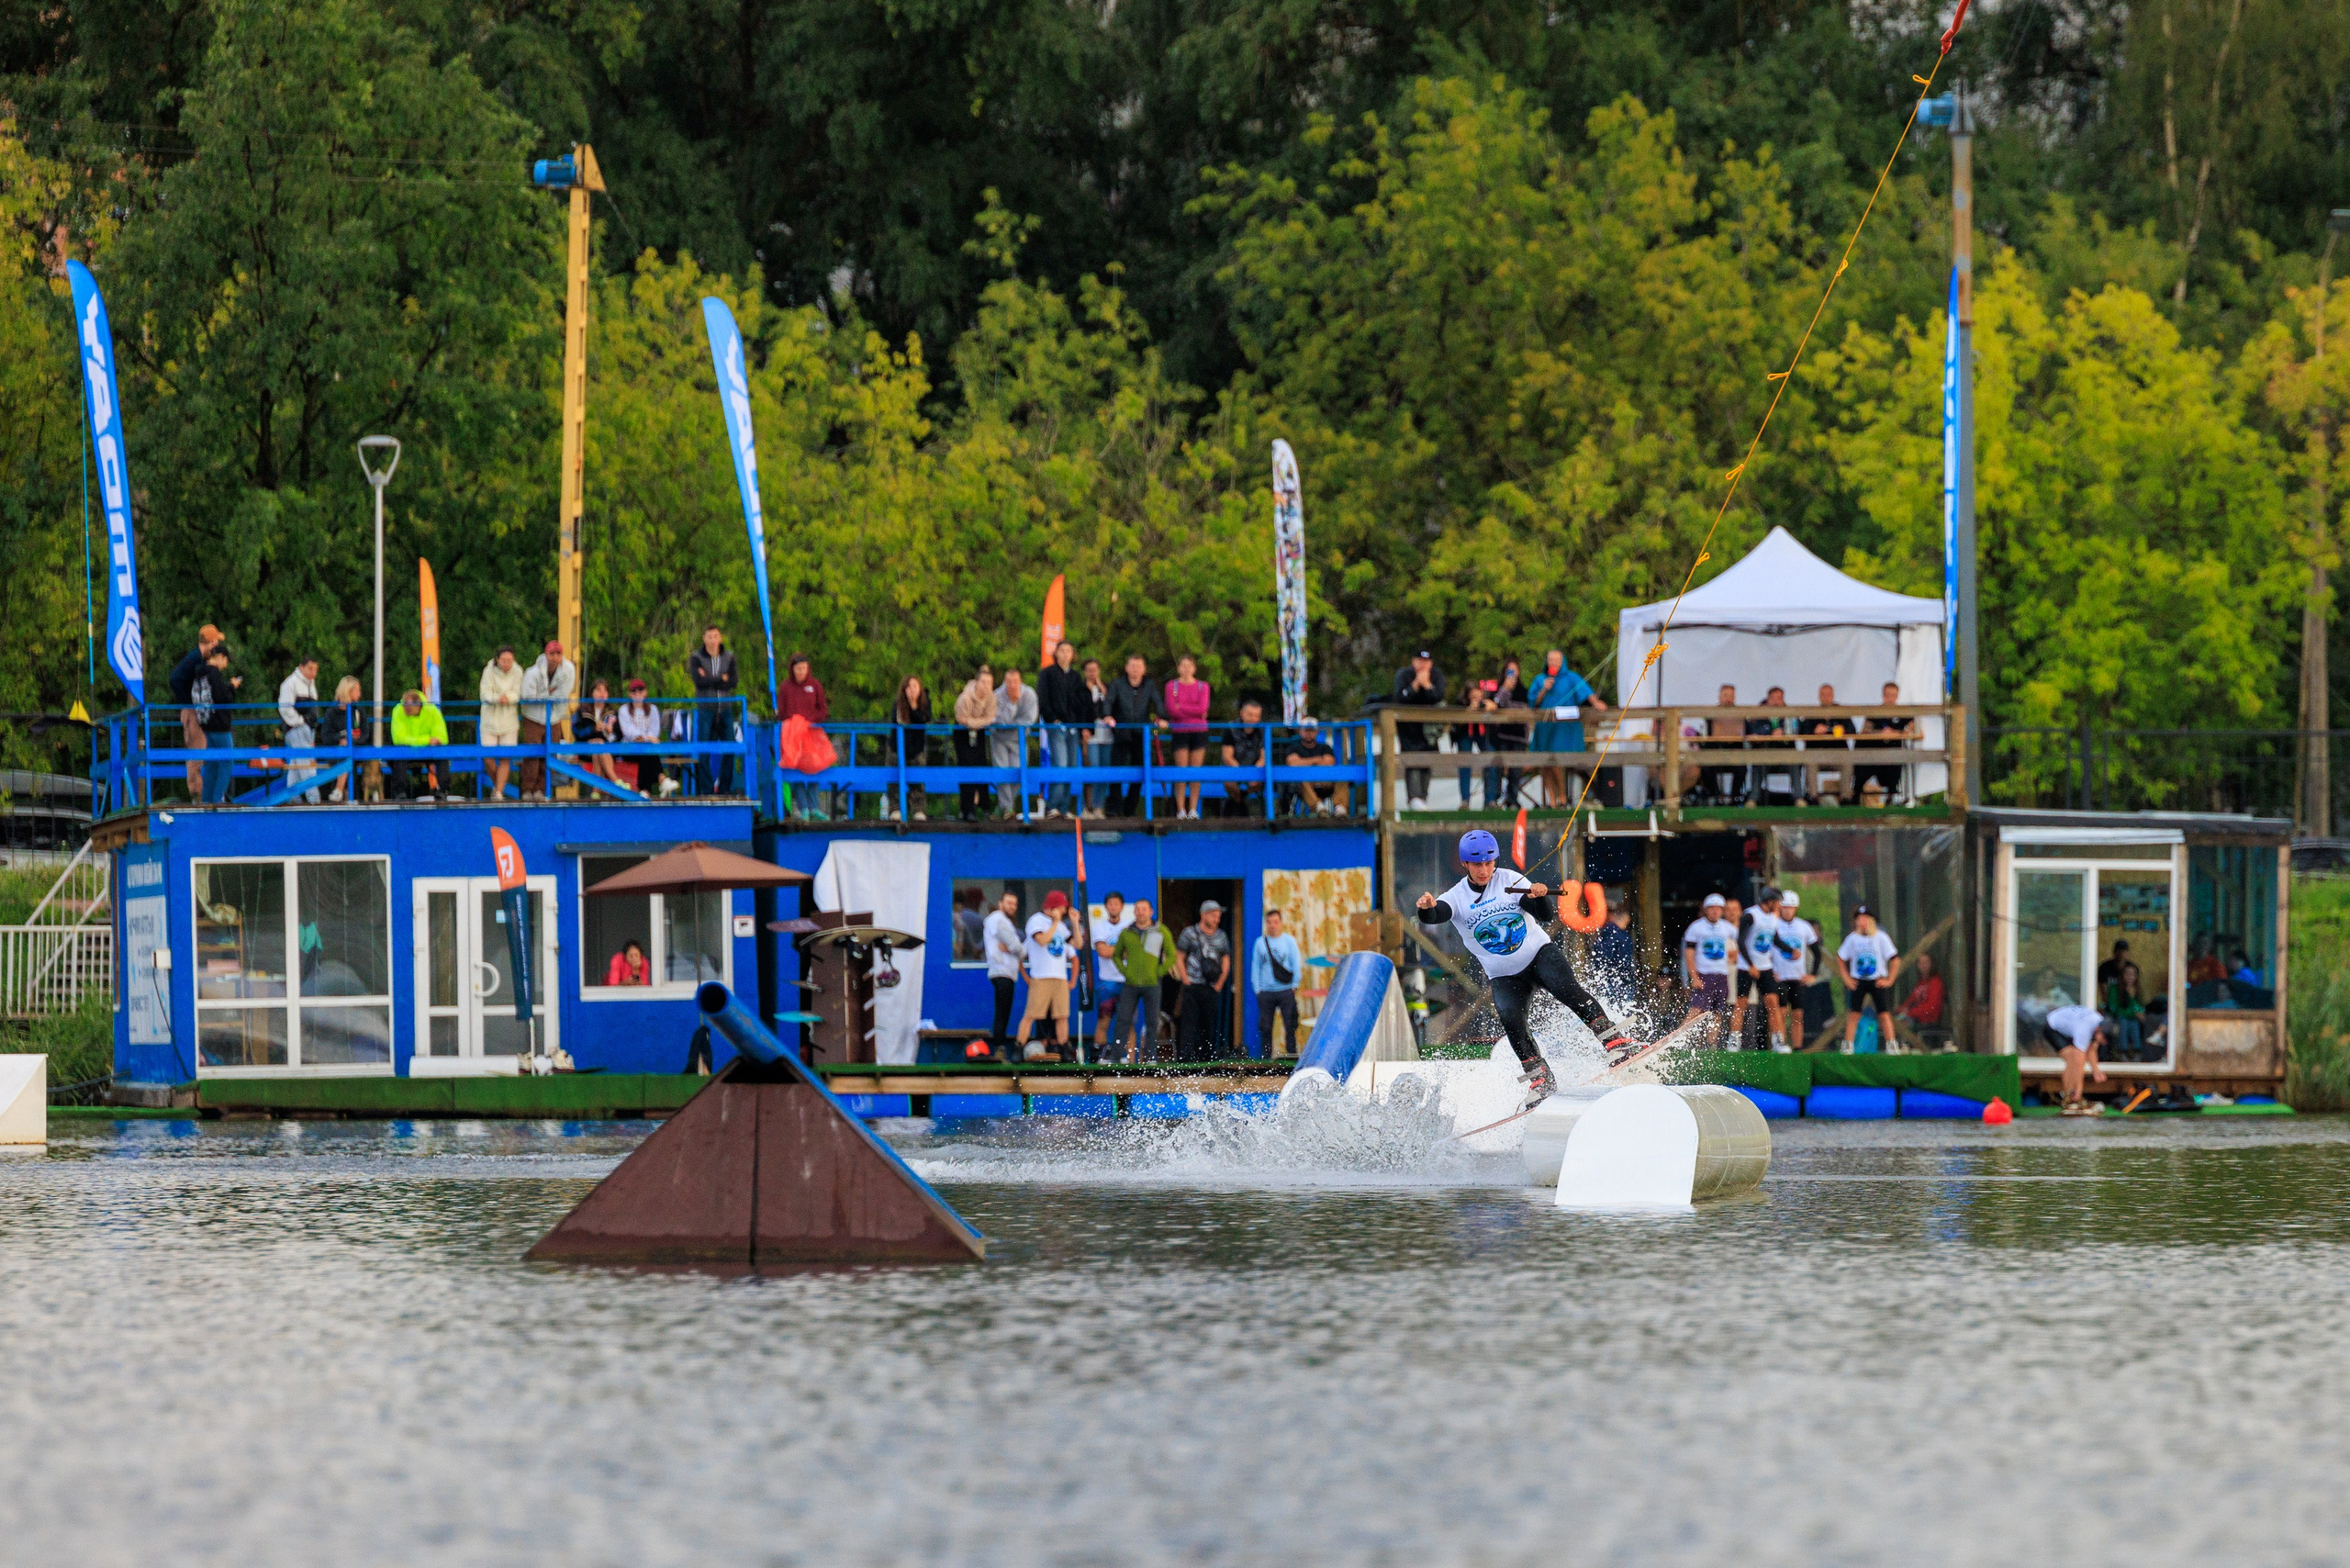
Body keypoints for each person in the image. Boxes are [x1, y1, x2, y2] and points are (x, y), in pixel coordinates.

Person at [1416, 829, 1640, 1109]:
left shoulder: (1509, 879)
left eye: (1489, 863)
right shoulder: (1458, 896)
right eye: (1477, 864)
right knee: (1511, 1019)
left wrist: (1539, 896)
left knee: (1567, 990)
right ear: (1465, 865)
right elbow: (1437, 914)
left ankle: (1615, 1042)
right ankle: (1540, 1078)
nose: (1485, 870)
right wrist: (1426, 908)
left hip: (1538, 955)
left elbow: (1544, 916)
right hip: (1504, 975)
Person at [1527, 648, 1605, 808]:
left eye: (1557, 660)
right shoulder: (1540, 679)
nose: (1553, 663)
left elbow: (1585, 690)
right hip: (1545, 727)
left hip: (1564, 729)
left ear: (1562, 662)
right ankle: (1552, 800)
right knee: (1545, 763)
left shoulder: (1571, 677)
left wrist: (1595, 703)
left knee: (1556, 761)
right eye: (1550, 660)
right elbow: (1534, 702)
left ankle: (1562, 797)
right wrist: (1544, 689)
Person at [170, 623, 229, 796]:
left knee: (205, 754)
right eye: (216, 641)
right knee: (196, 754)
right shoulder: (194, 658)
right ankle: (197, 795)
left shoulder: (201, 659)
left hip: (197, 711)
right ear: (211, 642)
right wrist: (189, 703)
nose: (217, 645)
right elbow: (174, 679)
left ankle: (206, 795)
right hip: (192, 712)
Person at [1016, 890, 1075, 1059]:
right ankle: (1019, 1047)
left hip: (1060, 977)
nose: (1064, 911)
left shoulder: (1063, 926)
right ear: (1053, 907)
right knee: (1032, 1014)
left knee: (1062, 1015)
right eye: (1063, 907)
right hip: (1041, 976)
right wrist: (1055, 923)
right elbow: (1042, 941)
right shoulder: (1036, 920)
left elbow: (1077, 944)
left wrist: (1075, 924)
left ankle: (1064, 1048)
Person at [1103, 655, 1165, 817]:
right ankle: (1113, 808)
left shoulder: (1149, 685)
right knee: (1116, 770)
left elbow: (1158, 703)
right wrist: (1107, 716)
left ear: (1144, 669)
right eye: (1132, 665)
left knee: (1140, 772)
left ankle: (1130, 809)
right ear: (1126, 667)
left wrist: (1161, 717)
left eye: (1139, 666)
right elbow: (1109, 701)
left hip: (1141, 734)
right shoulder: (1117, 683)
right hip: (1122, 731)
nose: (1135, 669)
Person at [1109, 900, 1169, 1063]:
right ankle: (1116, 1056)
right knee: (1123, 1020)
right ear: (1134, 912)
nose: (1141, 912)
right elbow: (1116, 955)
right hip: (1131, 984)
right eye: (1138, 909)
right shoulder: (1127, 932)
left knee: (1151, 1021)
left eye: (1144, 909)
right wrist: (1125, 972)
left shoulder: (1161, 930)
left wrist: (1160, 971)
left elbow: (1172, 955)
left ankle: (1150, 1057)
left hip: (1152, 983)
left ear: (1151, 911)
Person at [1174, 900, 1234, 1061]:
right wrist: (1185, 979)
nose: (1217, 919)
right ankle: (1186, 1058)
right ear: (1204, 915)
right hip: (1192, 985)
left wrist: (1220, 984)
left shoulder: (1221, 936)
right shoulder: (1189, 933)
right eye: (1214, 915)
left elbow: (1226, 961)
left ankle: (1206, 1058)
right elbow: (1179, 957)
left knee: (1208, 1024)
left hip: (1211, 987)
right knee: (1188, 1023)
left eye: (1219, 916)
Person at [1836, 904, 1901, 1050]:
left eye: (1865, 919)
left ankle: (1891, 1044)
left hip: (1876, 980)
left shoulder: (1881, 937)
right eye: (1859, 919)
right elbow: (1840, 957)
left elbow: (1895, 959)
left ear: (1871, 920)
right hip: (1858, 980)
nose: (1862, 922)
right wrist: (1846, 978)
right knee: (1854, 1014)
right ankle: (1848, 1044)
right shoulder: (1852, 938)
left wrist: (1890, 979)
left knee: (1883, 1013)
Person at [519, 640, 576, 800]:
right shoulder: (533, 672)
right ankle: (527, 790)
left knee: (550, 754)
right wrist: (549, 695)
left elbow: (562, 695)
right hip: (533, 717)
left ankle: (541, 790)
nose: (555, 657)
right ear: (546, 654)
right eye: (552, 654)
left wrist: (543, 695)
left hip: (554, 717)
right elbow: (527, 696)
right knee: (532, 754)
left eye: (558, 654)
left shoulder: (569, 670)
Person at [688, 624, 740, 796]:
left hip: (725, 708)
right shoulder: (696, 657)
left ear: (720, 638)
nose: (712, 640)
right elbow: (698, 681)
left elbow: (733, 682)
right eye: (709, 636)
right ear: (704, 638)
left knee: (730, 749)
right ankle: (707, 790)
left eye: (715, 636)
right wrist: (720, 679)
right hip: (705, 709)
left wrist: (709, 678)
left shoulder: (729, 657)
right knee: (703, 751)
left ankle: (724, 788)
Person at [1732, 885, 1785, 1051]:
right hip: (1746, 967)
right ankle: (1734, 1041)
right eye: (1777, 902)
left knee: (1772, 1004)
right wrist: (1750, 965)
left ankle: (1778, 1042)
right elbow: (1741, 941)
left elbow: (1774, 939)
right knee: (1741, 1004)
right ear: (1769, 902)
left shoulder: (1773, 918)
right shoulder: (1750, 915)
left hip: (1765, 967)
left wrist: (1791, 950)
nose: (1779, 906)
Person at [1038, 640, 1089, 819]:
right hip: (1056, 725)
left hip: (1073, 726)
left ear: (1073, 655)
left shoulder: (1076, 677)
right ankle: (1052, 806)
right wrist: (1052, 718)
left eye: (1069, 651)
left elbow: (1082, 703)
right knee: (1060, 763)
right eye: (1062, 650)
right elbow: (1043, 700)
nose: (1066, 654)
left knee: (1072, 765)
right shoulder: (1047, 674)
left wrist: (1081, 724)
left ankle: (1065, 807)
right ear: (1056, 653)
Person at [1392, 650, 1445, 809]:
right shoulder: (1403, 674)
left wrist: (1427, 685)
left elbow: (1438, 697)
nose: (1422, 664)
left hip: (1428, 730)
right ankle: (1414, 798)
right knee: (1412, 761)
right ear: (1413, 661)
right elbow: (1400, 698)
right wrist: (1415, 685)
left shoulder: (1436, 675)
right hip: (1408, 729)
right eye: (1419, 660)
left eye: (1426, 661)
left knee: (1427, 761)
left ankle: (1423, 797)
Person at [1769, 890, 1820, 1052]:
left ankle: (1798, 1047)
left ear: (1796, 908)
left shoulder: (1803, 926)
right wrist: (1770, 971)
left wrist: (1813, 974)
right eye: (1784, 907)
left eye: (1790, 907)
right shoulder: (1772, 924)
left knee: (1798, 1015)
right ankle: (1781, 1044)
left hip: (1797, 977)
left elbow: (1816, 952)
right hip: (1779, 976)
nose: (1787, 910)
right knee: (1781, 1012)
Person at [1681, 892, 1738, 1039]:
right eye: (1712, 908)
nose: (1715, 911)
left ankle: (1711, 1043)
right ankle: (1680, 1038)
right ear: (1706, 909)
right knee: (1696, 1009)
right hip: (1704, 974)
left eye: (1718, 908)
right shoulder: (1696, 927)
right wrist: (1694, 977)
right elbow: (1689, 954)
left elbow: (1743, 940)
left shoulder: (1727, 927)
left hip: (1721, 975)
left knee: (1717, 1012)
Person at [1162, 655, 1213, 820]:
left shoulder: (1202, 686)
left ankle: (1193, 809)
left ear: (1194, 668)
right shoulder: (1172, 686)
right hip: (1179, 730)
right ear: (1178, 668)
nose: (1186, 669)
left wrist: (1182, 706)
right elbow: (1171, 709)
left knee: (1195, 772)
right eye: (1183, 666)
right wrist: (1193, 710)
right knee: (1181, 771)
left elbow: (1203, 708)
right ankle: (1181, 809)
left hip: (1199, 731)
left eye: (1189, 666)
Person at [780, 654, 831, 819]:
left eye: (804, 668)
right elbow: (782, 712)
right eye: (798, 668)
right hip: (793, 736)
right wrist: (795, 722)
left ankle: (814, 806)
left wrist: (809, 721)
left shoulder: (815, 685)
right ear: (792, 669)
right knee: (796, 768)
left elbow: (822, 710)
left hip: (812, 734)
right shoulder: (786, 687)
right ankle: (803, 808)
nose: (801, 671)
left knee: (814, 766)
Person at [2041, 1002, 2112, 1114]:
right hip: (2052, 1027)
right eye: (2103, 1039)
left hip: (2070, 1026)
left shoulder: (2099, 1023)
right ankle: (2069, 1099)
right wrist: (2079, 1091)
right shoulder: (2084, 1029)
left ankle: (2073, 1097)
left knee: (2077, 1057)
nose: (2103, 1043)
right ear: (2099, 1030)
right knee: (2072, 1059)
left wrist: (2096, 1070)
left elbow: (2091, 1050)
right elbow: (2079, 1063)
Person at [1252, 908, 1304, 1058]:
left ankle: (1291, 1057)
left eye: (1275, 922)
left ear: (1280, 923)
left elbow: (1296, 962)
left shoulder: (1289, 941)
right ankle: (1266, 1058)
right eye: (1269, 922)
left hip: (1286, 989)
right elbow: (1256, 966)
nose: (1272, 925)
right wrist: (1257, 989)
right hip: (1266, 991)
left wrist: (1295, 985)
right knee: (1265, 1027)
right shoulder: (1260, 943)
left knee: (1290, 1025)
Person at [191, 644, 239, 803]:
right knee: (227, 760)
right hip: (220, 725)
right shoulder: (214, 673)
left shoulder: (200, 673)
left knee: (211, 764)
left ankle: (207, 801)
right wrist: (232, 686)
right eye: (225, 660)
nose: (225, 665)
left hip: (206, 723)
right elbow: (223, 698)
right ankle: (218, 800)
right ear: (219, 657)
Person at [1090, 891, 1134, 1061]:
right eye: (1110, 904)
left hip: (1127, 982)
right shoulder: (1099, 927)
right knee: (1104, 1022)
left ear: (1122, 907)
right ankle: (1102, 1058)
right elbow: (1102, 951)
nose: (1114, 907)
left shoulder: (1130, 927)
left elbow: (1133, 953)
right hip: (1106, 982)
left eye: (1117, 904)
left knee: (1128, 1023)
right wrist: (1123, 950)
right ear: (1106, 907)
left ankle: (1130, 1062)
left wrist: (1115, 950)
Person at [1797, 683, 1856, 805]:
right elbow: (1801, 733)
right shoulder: (1812, 714)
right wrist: (1814, 732)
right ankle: (1813, 797)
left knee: (1848, 761)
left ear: (1833, 696)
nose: (1826, 698)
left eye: (1828, 695)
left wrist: (1843, 730)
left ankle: (1845, 797)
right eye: (1823, 695)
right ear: (1819, 697)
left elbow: (1853, 731)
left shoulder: (1841, 712)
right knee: (1810, 762)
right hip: (1817, 755)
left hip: (1838, 755)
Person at [991, 666, 1038, 818]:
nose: (1012, 685)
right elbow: (996, 720)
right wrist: (1012, 705)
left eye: (1015, 681)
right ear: (1004, 682)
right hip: (999, 739)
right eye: (1009, 681)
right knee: (1002, 771)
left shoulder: (1029, 694)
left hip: (1020, 739)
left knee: (1018, 771)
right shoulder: (997, 695)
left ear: (1020, 681)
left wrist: (1011, 723)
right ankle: (1007, 808)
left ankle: (1006, 806)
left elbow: (1029, 719)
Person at [1483, 660, 1529, 810]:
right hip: (1501, 735)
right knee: (1497, 768)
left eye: (1514, 670)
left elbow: (1524, 710)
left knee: (1516, 771)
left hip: (1519, 735)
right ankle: (1494, 799)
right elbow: (1495, 704)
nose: (1512, 674)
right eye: (1509, 670)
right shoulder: (1497, 689)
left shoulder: (1523, 691)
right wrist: (1505, 690)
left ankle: (1512, 799)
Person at [478, 645, 523, 799]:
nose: (506, 663)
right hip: (489, 721)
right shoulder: (488, 671)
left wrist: (508, 698)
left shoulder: (518, 671)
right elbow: (484, 694)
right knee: (487, 756)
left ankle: (498, 792)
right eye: (504, 660)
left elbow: (518, 692)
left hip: (509, 721)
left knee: (506, 757)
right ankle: (498, 785)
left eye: (509, 660)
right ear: (497, 659)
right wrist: (497, 699)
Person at [954, 665, 997, 823]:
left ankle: (985, 807)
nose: (986, 686)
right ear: (976, 682)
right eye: (984, 682)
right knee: (966, 767)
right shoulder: (965, 698)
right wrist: (980, 722)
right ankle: (967, 809)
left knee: (982, 765)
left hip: (978, 733)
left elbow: (991, 718)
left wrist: (975, 722)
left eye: (989, 683)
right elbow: (962, 719)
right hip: (962, 732)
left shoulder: (991, 698)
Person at [388, 688, 448, 801]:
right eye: (405, 707)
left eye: (410, 709)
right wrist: (427, 740)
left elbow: (442, 738)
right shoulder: (398, 710)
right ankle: (399, 792)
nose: (406, 711)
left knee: (442, 751)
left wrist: (414, 741)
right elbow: (398, 739)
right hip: (407, 751)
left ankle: (443, 790)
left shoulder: (433, 711)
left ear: (419, 705)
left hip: (427, 751)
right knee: (398, 752)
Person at [1858, 680, 1912, 802]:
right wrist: (1879, 734)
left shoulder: (1903, 713)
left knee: (1897, 760)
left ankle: (1892, 795)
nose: (1890, 698)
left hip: (1894, 752)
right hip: (1874, 752)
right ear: (1883, 696)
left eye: (1893, 695)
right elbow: (1864, 731)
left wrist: (1896, 733)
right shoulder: (1875, 712)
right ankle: (1857, 795)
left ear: (1897, 696)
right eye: (1888, 695)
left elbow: (1914, 730)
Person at [277, 655, 321, 805]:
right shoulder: (290, 684)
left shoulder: (310, 684)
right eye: (310, 669)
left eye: (315, 669)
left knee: (297, 765)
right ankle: (314, 799)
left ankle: (292, 797)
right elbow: (285, 708)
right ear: (301, 667)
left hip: (308, 729)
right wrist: (300, 722)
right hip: (296, 729)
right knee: (305, 765)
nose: (313, 673)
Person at [983, 890, 1023, 1053]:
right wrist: (1018, 950)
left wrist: (1014, 948)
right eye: (1008, 902)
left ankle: (1000, 1047)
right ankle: (1000, 1048)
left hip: (1006, 972)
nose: (1012, 906)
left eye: (1014, 904)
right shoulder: (998, 919)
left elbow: (1013, 946)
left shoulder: (1004, 921)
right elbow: (1016, 947)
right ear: (1001, 904)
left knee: (1003, 1011)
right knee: (1002, 1012)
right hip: (1002, 971)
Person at [1284, 716, 1348, 815]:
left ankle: (1340, 809)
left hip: (1324, 781)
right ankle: (1319, 808)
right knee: (1301, 780)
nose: (1309, 733)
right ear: (1301, 731)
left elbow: (1329, 762)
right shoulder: (1293, 748)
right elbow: (1292, 763)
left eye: (1312, 730)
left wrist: (1304, 762)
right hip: (1305, 784)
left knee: (1342, 777)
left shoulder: (1325, 747)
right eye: (1306, 730)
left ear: (1317, 731)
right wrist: (1317, 760)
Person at [890, 675, 933, 821]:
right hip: (898, 746)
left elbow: (925, 719)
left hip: (917, 746)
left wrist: (915, 707)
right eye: (909, 687)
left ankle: (918, 810)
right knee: (894, 778)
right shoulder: (898, 703)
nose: (912, 690)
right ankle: (895, 809)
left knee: (918, 780)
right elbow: (900, 721)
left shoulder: (925, 703)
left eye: (915, 686)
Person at [316, 676, 362, 801]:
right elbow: (326, 737)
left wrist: (352, 741)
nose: (360, 694)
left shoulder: (358, 711)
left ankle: (339, 791)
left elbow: (366, 734)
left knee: (348, 755)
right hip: (336, 752)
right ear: (348, 691)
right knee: (344, 756)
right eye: (357, 690)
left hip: (355, 750)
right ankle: (344, 794)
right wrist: (341, 738)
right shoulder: (331, 712)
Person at [617, 678, 666, 795]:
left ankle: (645, 790)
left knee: (647, 752)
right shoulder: (624, 710)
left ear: (645, 692)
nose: (637, 694)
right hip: (629, 748)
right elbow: (628, 731)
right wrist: (646, 737)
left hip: (645, 748)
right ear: (630, 694)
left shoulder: (653, 710)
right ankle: (661, 779)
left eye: (640, 690)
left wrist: (645, 739)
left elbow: (655, 730)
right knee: (647, 751)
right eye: (634, 691)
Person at [1589, 890, 1638, 1005]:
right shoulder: (1623, 937)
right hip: (1620, 981)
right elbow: (1624, 961)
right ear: (1626, 918)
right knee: (1622, 1008)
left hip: (1604, 979)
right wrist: (1629, 977)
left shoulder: (1602, 934)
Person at [1080, 657, 1114, 818]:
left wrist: (1100, 686)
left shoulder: (1106, 687)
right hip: (1091, 736)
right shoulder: (1080, 689)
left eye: (1095, 669)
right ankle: (1087, 807)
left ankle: (1098, 806)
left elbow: (1112, 702)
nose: (1092, 673)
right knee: (1091, 770)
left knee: (1104, 771)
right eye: (1089, 670)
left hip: (1107, 735)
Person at [571, 680, 623, 786]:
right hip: (586, 749)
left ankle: (596, 791)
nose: (602, 694)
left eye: (605, 691)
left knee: (599, 749)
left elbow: (619, 735)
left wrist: (610, 732)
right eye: (598, 690)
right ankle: (616, 781)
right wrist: (592, 729)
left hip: (607, 749)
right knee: (597, 747)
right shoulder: (582, 710)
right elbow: (576, 731)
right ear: (592, 693)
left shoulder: (613, 712)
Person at [1221, 699, 1267, 819]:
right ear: (1242, 713)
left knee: (1260, 781)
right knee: (1229, 783)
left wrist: (1254, 773)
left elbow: (1264, 757)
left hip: (1255, 770)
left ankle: (1239, 802)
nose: (1254, 719)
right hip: (1234, 769)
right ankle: (1241, 803)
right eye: (1250, 715)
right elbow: (1227, 757)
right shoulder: (1231, 728)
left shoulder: (1263, 730)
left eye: (1257, 716)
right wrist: (1242, 773)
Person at [1749, 687, 1793, 803]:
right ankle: (1753, 799)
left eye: (1780, 698)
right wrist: (1770, 733)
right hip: (1764, 753)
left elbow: (1796, 731)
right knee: (1758, 762)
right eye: (1775, 698)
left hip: (1784, 755)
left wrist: (1783, 733)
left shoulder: (1789, 714)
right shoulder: (1758, 714)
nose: (1778, 702)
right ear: (1768, 699)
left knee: (1795, 761)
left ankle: (1798, 798)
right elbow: (1753, 732)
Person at [1894, 951, 1946, 1050]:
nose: (1923, 966)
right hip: (1915, 1019)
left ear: (1932, 964)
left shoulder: (1936, 983)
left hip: (1927, 1023)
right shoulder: (1920, 983)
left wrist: (1909, 1013)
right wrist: (1900, 1010)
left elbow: (1931, 1007)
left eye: (1926, 962)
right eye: (1920, 963)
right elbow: (1910, 1001)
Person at [2103, 960, 2148, 1059]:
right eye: (2127, 973)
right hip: (2115, 1018)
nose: (2130, 977)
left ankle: (2137, 1052)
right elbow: (2115, 1009)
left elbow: (2140, 1008)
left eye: (2133, 974)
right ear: (2122, 975)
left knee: (2134, 1022)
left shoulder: (2137, 989)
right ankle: (2122, 1052)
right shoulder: (2114, 989)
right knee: (2124, 1021)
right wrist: (2133, 1013)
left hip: (2131, 1019)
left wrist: (2132, 998)